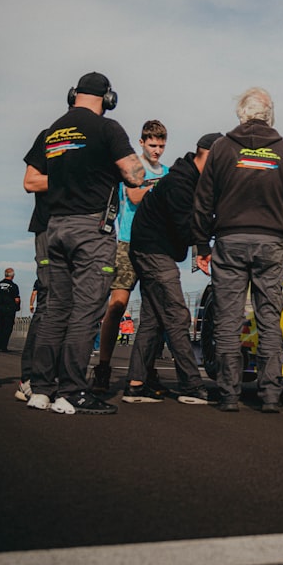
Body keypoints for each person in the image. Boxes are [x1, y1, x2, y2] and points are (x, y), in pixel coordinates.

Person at [24, 72, 144, 415]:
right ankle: (72, 391)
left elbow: (33, 179)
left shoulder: (54, 130)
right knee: (86, 311)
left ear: (74, 94)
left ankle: (41, 389)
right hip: (91, 229)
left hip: (56, 226)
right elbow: (134, 175)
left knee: (54, 311)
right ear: (108, 98)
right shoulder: (107, 128)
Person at [192, 88, 283, 413]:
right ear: (270, 116)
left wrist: (202, 244)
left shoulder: (221, 149)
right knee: (269, 319)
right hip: (272, 244)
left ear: (241, 115)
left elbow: (203, 201)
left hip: (229, 242)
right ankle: (270, 395)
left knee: (228, 320)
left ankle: (229, 395)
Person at [124, 132, 221, 405]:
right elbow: (187, 229)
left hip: (151, 248)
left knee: (153, 320)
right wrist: (215, 232)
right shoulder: (181, 184)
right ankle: (191, 385)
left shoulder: (191, 178)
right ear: (210, 157)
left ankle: (135, 384)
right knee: (178, 316)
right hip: (153, 251)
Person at [91, 120, 170, 393]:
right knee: (117, 306)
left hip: (155, 246)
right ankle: (103, 367)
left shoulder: (168, 172)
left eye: (161, 145)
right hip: (126, 243)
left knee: (154, 312)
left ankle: (145, 369)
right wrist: (161, 190)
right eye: (152, 145)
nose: (157, 150)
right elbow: (135, 196)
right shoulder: (133, 167)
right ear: (142, 143)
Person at [15, 153, 50, 402]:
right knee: (48, 301)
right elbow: (30, 182)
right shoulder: (50, 137)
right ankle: (29, 378)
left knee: (72, 305)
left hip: (81, 231)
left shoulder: (96, 138)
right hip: (49, 227)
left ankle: (50, 375)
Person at [0, 268, 20, 353]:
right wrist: (15, 305)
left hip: (0, 308)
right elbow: (17, 299)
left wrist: (0, 301)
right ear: (13, 275)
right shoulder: (14, 286)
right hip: (10, 309)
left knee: (0, 326)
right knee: (7, 328)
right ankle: (3, 346)